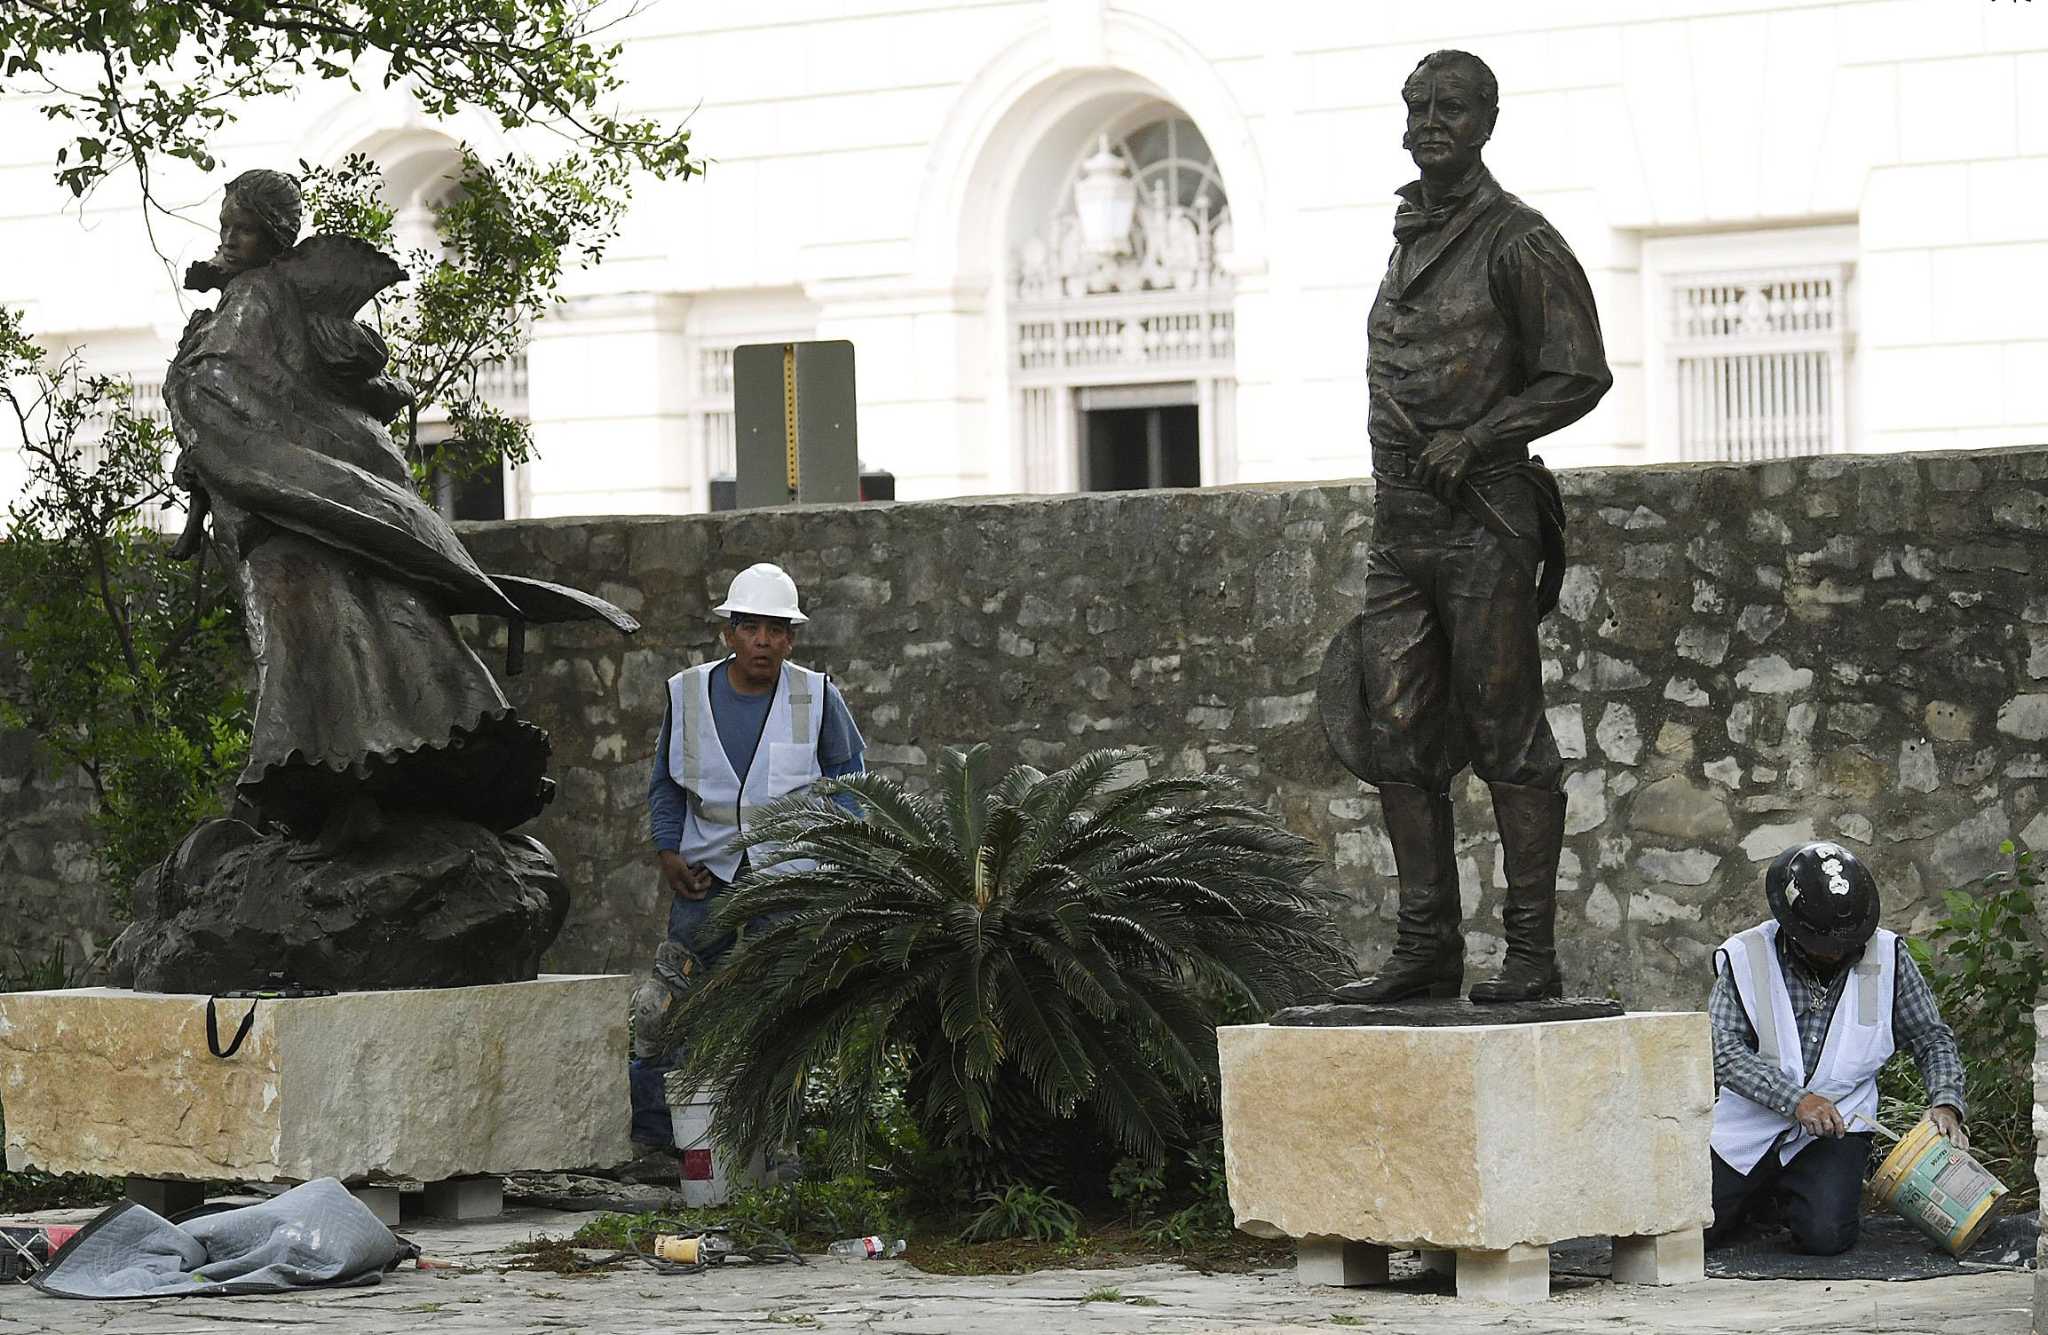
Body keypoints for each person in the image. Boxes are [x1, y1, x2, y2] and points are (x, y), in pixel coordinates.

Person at [163, 168, 631, 853]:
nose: (230, 239)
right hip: (303, 513)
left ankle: (335, 799)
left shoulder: (254, 301)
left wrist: (201, 410)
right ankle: (347, 799)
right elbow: (264, 404)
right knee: (358, 648)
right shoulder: (263, 300)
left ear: (274, 238)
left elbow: (233, 396)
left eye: (245, 227)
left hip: (294, 515)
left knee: (312, 657)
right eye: (226, 225)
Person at [1330, 49, 1611, 1004]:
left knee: (1505, 734)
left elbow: (1579, 373)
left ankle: (1530, 953)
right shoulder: (1408, 235)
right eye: (1417, 106)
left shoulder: (1517, 240)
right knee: (1396, 731)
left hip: (1485, 522)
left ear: (1487, 121)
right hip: (1399, 527)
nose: (1429, 121)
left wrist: (1484, 435)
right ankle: (1426, 944)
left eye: (1451, 107)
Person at [630, 563, 863, 1148]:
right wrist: (667, 851)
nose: (763, 640)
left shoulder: (816, 694)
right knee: (666, 1007)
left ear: (791, 638)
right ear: (729, 633)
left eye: (776, 629)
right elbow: (666, 784)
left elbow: (850, 778)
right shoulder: (686, 693)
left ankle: (781, 1136)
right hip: (706, 878)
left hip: (790, 882)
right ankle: (659, 1139)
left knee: (788, 1008)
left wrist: (838, 857)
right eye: (751, 627)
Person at [1706, 841, 1967, 1256]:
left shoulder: (1888, 955)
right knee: (1694, 1227)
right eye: (1823, 942)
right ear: (1792, 926)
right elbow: (1723, 1052)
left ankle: (1796, 1194)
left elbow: (1930, 1036)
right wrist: (1796, 1100)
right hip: (1749, 1123)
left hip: (1840, 1123)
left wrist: (1946, 1104)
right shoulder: (1745, 956)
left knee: (1825, 1236)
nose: (1838, 950)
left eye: (1848, 941)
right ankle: (1762, 1198)